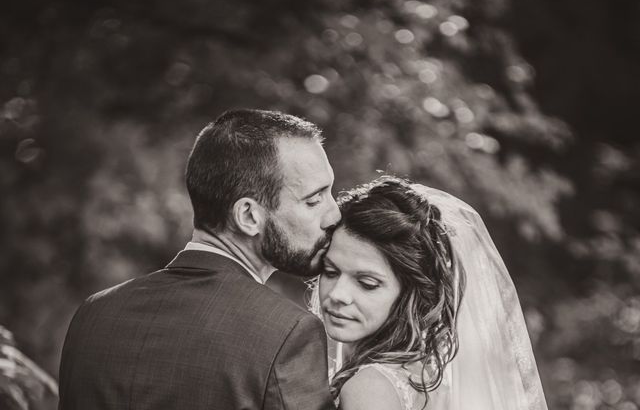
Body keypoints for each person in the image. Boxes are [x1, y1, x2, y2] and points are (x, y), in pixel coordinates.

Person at [58, 109, 340, 409]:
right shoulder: (288, 333)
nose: (335, 214)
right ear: (248, 216)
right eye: (314, 200)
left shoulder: (93, 314)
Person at [313, 176, 548, 410]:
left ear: (409, 293)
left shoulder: (370, 387)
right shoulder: (427, 377)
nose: (338, 294)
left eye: (367, 283)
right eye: (331, 271)